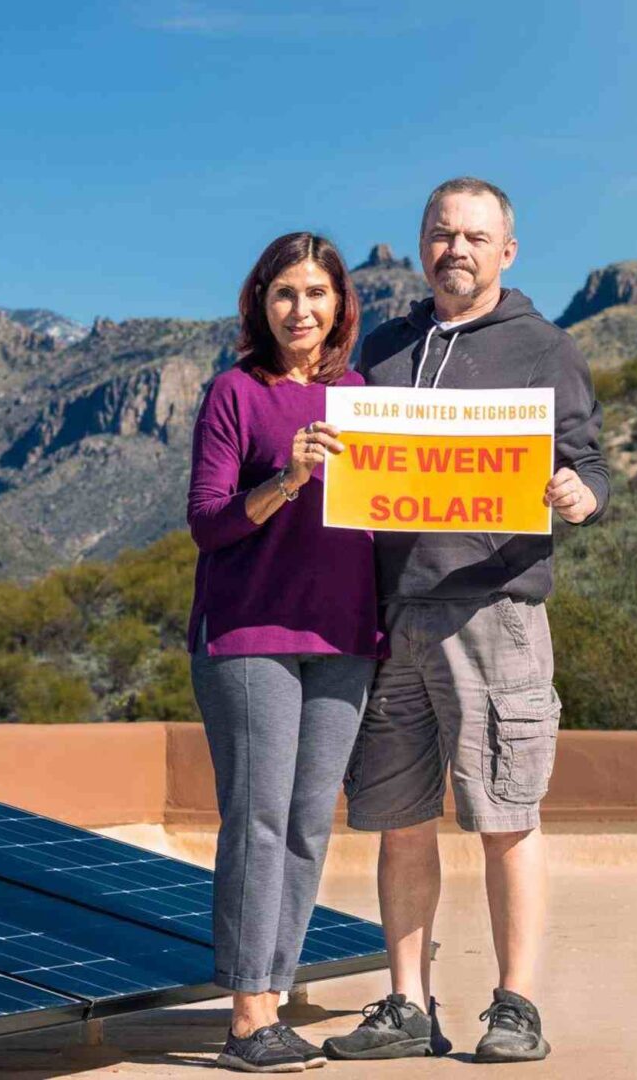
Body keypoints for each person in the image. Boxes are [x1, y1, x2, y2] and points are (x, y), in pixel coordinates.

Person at [322, 178, 609, 1065]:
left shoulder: (543, 349)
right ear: (421, 244)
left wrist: (578, 494)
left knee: (506, 815)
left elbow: (591, 465)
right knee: (398, 816)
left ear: (507, 252)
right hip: (394, 613)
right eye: (442, 234)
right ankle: (408, 1003)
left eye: (476, 237)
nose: (457, 250)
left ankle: (516, 1005)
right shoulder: (384, 350)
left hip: (495, 610)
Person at [187, 231, 384, 1073]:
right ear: (259, 304)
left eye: (316, 293)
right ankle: (245, 1016)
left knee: (307, 825)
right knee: (259, 821)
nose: (300, 310)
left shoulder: (366, 396)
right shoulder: (235, 394)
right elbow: (207, 522)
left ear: (340, 302)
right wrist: (287, 479)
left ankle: (275, 993)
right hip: (250, 639)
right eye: (283, 294)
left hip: (345, 640)